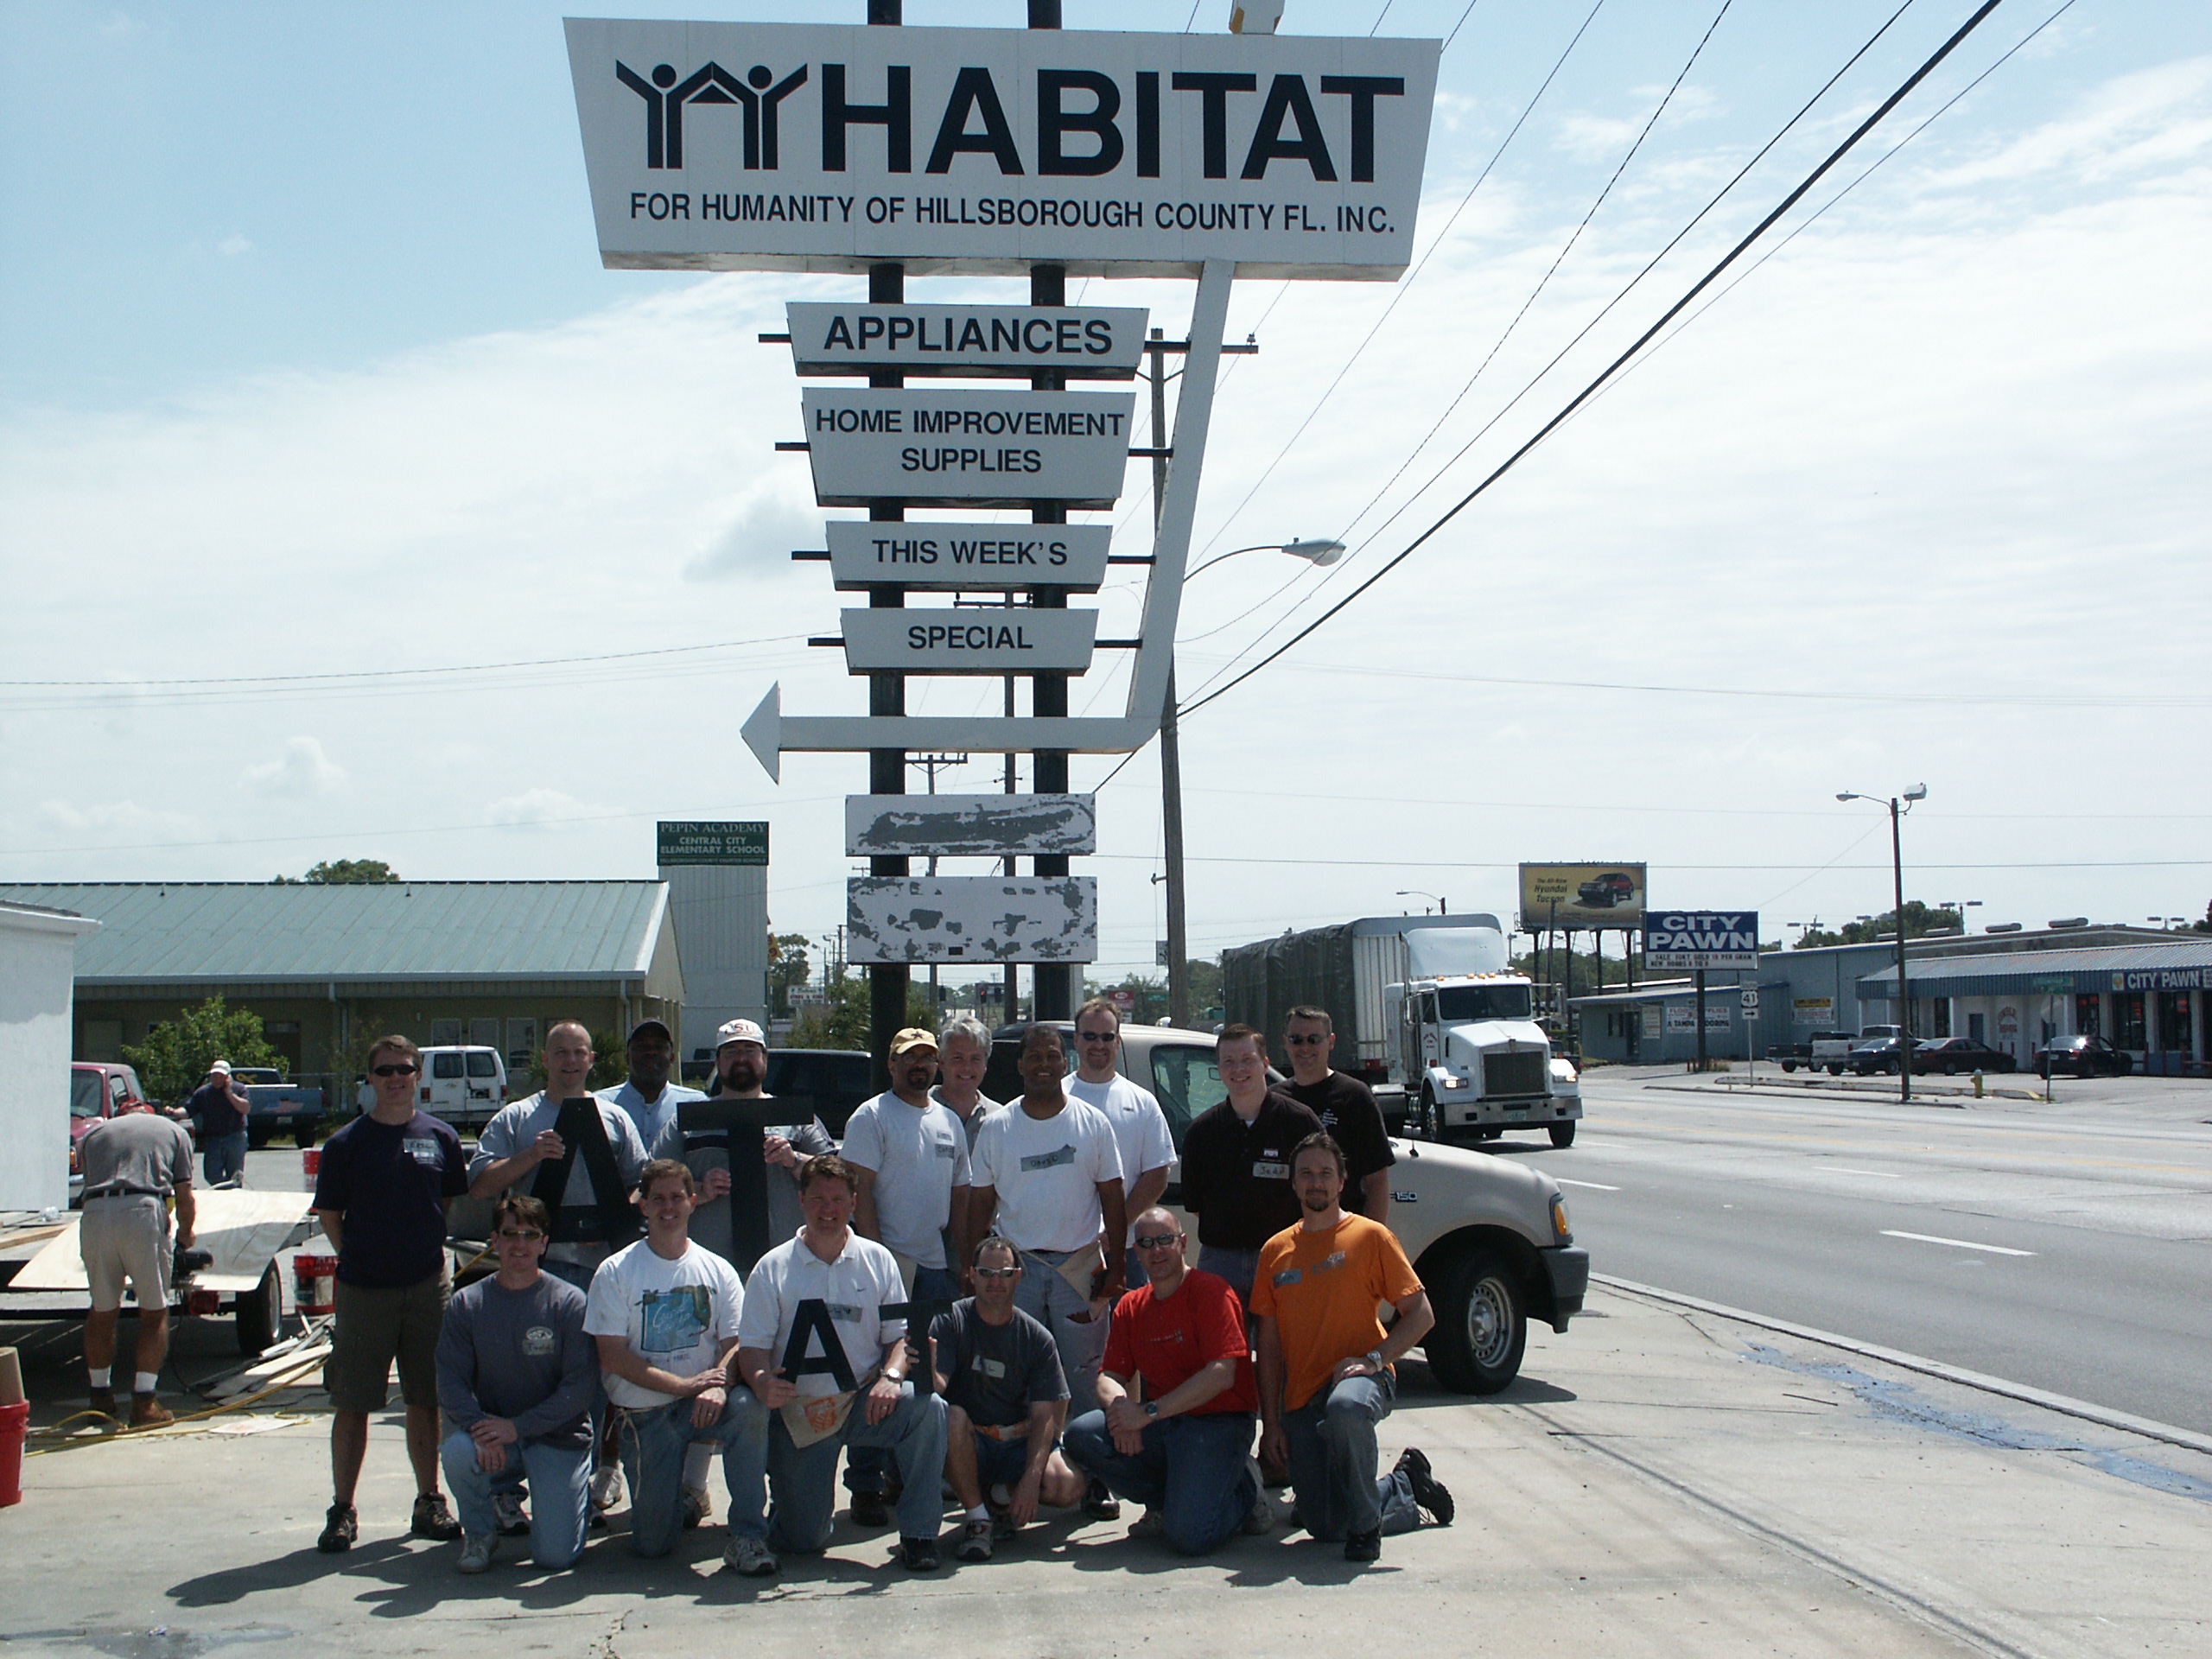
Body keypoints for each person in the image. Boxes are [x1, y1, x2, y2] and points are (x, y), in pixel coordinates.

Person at [470, 1019, 649, 1518]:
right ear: (545, 1060)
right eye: (561, 1052)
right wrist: (531, 1155)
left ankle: (581, 1487)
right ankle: (506, 1489)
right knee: (519, 1376)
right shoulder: (517, 1118)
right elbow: (481, 1184)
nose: (570, 1061)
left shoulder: (614, 1119)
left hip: (600, 1273)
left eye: (580, 1052)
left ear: (592, 1060)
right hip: (536, 1273)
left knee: (590, 1382)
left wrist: (613, 1218)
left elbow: (642, 1182)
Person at [734, 1154, 948, 1572]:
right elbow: (752, 1348)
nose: (827, 1209)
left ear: (853, 1203)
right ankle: (787, 1502)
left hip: (862, 1401)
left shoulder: (878, 1259)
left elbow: (901, 1339)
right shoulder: (773, 1267)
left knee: (928, 1408)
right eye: (818, 1199)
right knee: (804, 1540)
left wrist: (891, 1376)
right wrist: (761, 1382)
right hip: (801, 1413)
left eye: (837, 1199)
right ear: (801, 1201)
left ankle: (920, 1535)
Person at [1251, 1133, 1454, 1564]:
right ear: (1293, 1184)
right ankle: (1404, 1486)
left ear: (1342, 1181)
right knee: (1325, 1527)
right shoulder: (1275, 1251)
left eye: (1326, 1173)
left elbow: (1421, 1313)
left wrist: (1374, 1360)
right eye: (1306, 1174)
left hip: (1364, 1379)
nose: (1316, 1182)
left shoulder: (1370, 1237)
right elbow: (1267, 1347)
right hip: (1303, 1397)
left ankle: (1366, 1531)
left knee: (1346, 1409)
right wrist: (1271, 1423)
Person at [310, 1034, 472, 1553]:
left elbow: (445, 1205)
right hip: (364, 1290)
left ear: (418, 1074)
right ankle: (342, 1509)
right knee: (354, 1401)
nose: (396, 1078)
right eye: (385, 1071)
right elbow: (331, 1216)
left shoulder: (442, 1137)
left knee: (427, 1399)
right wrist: (361, 1256)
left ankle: (430, 1500)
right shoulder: (345, 1144)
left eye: (405, 1069)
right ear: (371, 1078)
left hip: (428, 1286)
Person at [968, 1022, 1127, 1520]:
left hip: (1079, 1266)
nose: (1042, 1063)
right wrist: (973, 1267)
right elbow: (980, 1203)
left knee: (1086, 1378)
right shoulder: (997, 1127)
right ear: (1018, 1066)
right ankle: (1016, 1477)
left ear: (1066, 1063)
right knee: (1014, 1378)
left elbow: (1113, 1199)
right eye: (1033, 1056)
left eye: (1052, 1056)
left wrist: (1116, 1266)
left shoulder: (1091, 1123)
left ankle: (1095, 1477)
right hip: (1016, 1269)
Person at [583, 1159, 773, 1573]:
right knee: (653, 1545)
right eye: (657, 1199)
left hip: (705, 1402)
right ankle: (678, 1503)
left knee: (748, 1409)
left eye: (676, 1197)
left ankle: (748, 1536)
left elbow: (736, 1341)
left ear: (692, 1202)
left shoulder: (718, 1270)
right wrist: (684, 1385)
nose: (668, 1207)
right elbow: (611, 1355)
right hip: (645, 1415)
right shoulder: (616, 1272)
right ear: (643, 1206)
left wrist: (719, 1384)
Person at [1061, 1207, 1268, 1555]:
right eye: (1146, 1243)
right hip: (1163, 1422)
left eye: (1165, 1240)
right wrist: (1121, 1410)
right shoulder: (1131, 1306)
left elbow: (1222, 1374)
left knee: (1190, 1537)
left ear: (1183, 1243)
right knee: (1083, 1434)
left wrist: (1148, 1413)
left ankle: (1245, 1491)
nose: (1156, 1250)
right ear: (1136, 1252)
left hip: (1217, 1425)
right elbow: (1109, 1378)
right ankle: (1164, 1503)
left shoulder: (1212, 1292)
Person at [839, 1027, 972, 1526]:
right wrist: (880, 1260)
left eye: (927, 1059)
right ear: (891, 1066)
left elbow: (960, 1197)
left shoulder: (949, 1122)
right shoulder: (871, 1116)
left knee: (927, 1379)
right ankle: (866, 1484)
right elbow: (861, 1193)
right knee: (875, 1373)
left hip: (935, 1268)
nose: (919, 1067)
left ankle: (914, 1476)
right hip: (888, 1268)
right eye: (908, 1059)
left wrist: (959, 1261)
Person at [435, 1195, 598, 1573]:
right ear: (494, 1240)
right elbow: (450, 1381)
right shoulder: (466, 1304)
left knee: (554, 1558)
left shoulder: (570, 1303)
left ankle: (573, 1501)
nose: (519, 1244)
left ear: (544, 1243)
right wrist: (481, 1431)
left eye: (530, 1234)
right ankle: (479, 1532)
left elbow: (580, 1388)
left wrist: (517, 1427)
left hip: (558, 1437)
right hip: (492, 1437)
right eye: (510, 1234)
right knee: (458, 1452)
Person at [930, 1236, 1080, 1561]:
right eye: (986, 1272)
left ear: (1018, 1277)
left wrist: (1031, 1478)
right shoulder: (949, 1320)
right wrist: (925, 1369)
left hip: (1015, 1441)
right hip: (969, 1441)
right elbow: (937, 1387)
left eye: (1005, 1273)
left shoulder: (1037, 1337)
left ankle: (999, 1496)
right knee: (950, 1416)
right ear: (971, 1275)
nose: (995, 1281)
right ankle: (977, 1520)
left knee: (1068, 1486)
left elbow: (1046, 1416)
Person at [652, 1017, 834, 1272]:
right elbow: (651, 1185)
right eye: (731, 1052)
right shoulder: (687, 1122)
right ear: (717, 1062)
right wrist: (699, 1190)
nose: (741, 1058)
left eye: (749, 1051)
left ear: (765, 1059)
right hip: (707, 1269)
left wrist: (794, 1160)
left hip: (788, 1267)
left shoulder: (797, 1119)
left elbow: (836, 1180)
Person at [1176, 1025, 1323, 1313]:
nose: (1238, 1069)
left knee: (1281, 1353)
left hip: (1285, 1257)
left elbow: (1323, 1190)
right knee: (1224, 1353)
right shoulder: (1202, 1132)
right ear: (1218, 1068)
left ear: (1265, 1064)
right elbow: (1195, 1204)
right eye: (1228, 1062)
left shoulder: (1299, 1123)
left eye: (1247, 1060)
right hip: (1220, 1262)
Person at [76, 1090, 197, 1427]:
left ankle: (100, 1397)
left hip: (96, 1211)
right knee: (154, 1311)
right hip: (142, 1210)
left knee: (102, 1310)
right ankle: (144, 1404)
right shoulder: (173, 1131)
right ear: (150, 1111)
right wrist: (186, 1234)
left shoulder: (93, 1135)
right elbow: (184, 1195)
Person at [1066, 999, 1175, 1243]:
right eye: (1090, 1036)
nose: (1098, 1044)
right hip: (1066, 1249)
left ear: (1118, 1041)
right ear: (1076, 1041)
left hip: (1126, 1247)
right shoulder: (1057, 1099)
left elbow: (1157, 1176)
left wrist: (1114, 1230)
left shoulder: (1142, 1103)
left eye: (1107, 1037)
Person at [1280, 1007, 1395, 1223]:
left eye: (1314, 1039)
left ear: (1331, 1042)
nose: (1305, 1047)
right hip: (1287, 1236)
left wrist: (1372, 1239)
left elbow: (1377, 1179)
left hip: (1342, 1232)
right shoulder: (1276, 1100)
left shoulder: (1355, 1096)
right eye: (1297, 1040)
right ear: (1286, 1042)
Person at [600, 1017, 706, 1156]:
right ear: (627, 1057)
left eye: (659, 1046)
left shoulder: (695, 1103)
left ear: (672, 1056)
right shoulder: (601, 1104)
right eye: (641, 1046)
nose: (651, 1052)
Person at [931, 1014, 1000, 1151]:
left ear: (985, 1064)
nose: (967, 1067)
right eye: (958, 1058)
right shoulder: (919, 1112)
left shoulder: (1000, 1119)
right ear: (942, 1062)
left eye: (975, 1059)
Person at [185, 1059, 251, 1188]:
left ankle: (233, 1199)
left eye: (220, 1076)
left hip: (235, 1137)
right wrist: (173, 1112)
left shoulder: (239, 1089)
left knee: (235, 1174)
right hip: (213, 1139)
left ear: (227, 1077)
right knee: (211, 1174)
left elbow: (245, 1109)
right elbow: (188, 1110)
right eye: (214, 1075)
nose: (216, 1078)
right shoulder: (203, 1092)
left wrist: (229, 1093)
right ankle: (229, 1190)